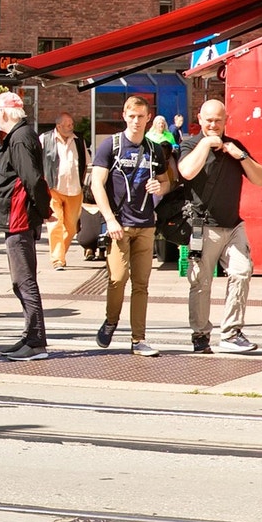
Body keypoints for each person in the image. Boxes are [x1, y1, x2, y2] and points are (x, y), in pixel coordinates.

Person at [179, 99, 262, 354]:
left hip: (233, 225)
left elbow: (260, 179)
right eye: (208, 120)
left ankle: (231, 333)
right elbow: (186, 171)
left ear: (226, 120)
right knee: (201, 283)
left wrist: (240, 156)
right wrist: (206, 143)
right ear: (200, 119)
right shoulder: (190, 144)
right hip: (202, 226)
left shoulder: (235, 146)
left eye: (218, 120)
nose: (213, 124)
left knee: (242, 272)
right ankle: (200, 334)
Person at [89, 94, 175, 357]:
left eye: (141, 116)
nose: (136, 121)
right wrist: (110, 219)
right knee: (117, 278)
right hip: (119, 224)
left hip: (146, 224)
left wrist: (160, 186)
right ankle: (111, 320)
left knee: (141, 284)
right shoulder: (111, 146)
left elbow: (167, 182)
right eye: (132, 116)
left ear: (149, 118)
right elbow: (96, 184)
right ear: (124, 116)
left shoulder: (154, 149)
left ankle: (138, 339)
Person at [0, 91, 52, 360]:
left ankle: (36, 341)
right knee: (20, 281)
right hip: (18, 218)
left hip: (20, 218)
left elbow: (33, 179)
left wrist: (42, 210)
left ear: (3, 113)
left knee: (24, 280)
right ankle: (30, 335)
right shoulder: (19, 136)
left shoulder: (20, 138)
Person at [40, 112, 87, 270]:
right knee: (55, 225)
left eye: (72, 124)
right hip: (54, 189)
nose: (71, 127)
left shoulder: (79, 141)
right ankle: (57, 259)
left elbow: (86, 163)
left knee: (72, 227)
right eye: (68, 125)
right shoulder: (45, 139)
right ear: (58, 126)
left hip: (75, 189)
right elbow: (37, 162)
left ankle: (60, 254)